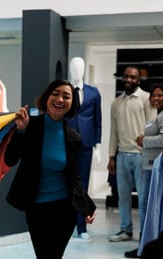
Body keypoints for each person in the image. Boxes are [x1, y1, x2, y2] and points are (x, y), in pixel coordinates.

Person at [4, 80, 96, 259]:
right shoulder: (31, 126)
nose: (60, 99)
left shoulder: (73, 137)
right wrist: (19, 132)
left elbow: (75, 178)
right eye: (55, 93)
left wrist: (86, 207)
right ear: (46, 98)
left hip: (65, 209)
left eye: (66, 96)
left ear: (71, 103)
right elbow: (10, 160)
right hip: (37, 206)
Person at [124, 81, 163, 258]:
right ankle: (148, 245)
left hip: (158, 167)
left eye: (159, 95)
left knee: (149, 208)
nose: (155, 98)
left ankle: (147, 247)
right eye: (153, 95)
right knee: (148, 207)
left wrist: (145, 141)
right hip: (152, 166)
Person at [108, 66, 155, 243]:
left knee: (143, 198)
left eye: (133, 77)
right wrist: (111, 156)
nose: (129, 80)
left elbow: (152, 126)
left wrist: (150, 153)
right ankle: (125, 230)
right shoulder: (116, 103)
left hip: (141, 155)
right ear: (122, 78)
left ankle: (145, 234)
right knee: (123, 197)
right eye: (126, 77)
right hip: (122, 156)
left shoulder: (146, 99)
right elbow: (113, 131)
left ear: (139, 80)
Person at [67, 56, 102, 241]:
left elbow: (98, 120)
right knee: (65, 182)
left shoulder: (93, 93)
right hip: (67, 142)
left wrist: (97, 146)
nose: (77, 70)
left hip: (86, 143)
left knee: (83, 184)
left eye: (80, 67)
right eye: (74, 67)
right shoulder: (63, 91)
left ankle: (81, 227)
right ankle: (65, 225)